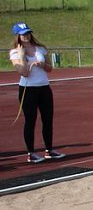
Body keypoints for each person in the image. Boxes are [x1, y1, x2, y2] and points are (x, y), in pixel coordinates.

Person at [10, 22, 65, 163]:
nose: (26, 36)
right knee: (30, 121)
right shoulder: (15, 52)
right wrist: (22, 57)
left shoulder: (40, 49)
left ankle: (49, 150)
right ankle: (31, 153)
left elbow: (49, 68)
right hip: (28, 90)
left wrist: (42, 65)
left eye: (28, 33)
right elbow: (24, 72)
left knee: (48, 119)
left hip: (44, 87)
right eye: (23, 34)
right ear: (18, 36)